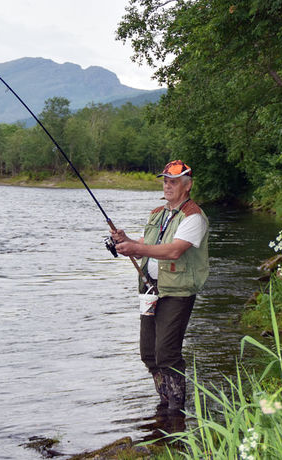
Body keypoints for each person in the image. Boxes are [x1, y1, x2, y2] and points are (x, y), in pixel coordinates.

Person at [110, 160, 209, 415]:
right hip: (151, 289)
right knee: (149, 353)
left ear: (187, 186)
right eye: (165, 181)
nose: (167, 185)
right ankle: (164, 403)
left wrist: (136, 248)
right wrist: (127, 241)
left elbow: (175, 250)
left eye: (173, 181)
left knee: (167, 352)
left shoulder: (194, 216)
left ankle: (177, 410)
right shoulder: (158, 213)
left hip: (177, 292)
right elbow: (149, 241)